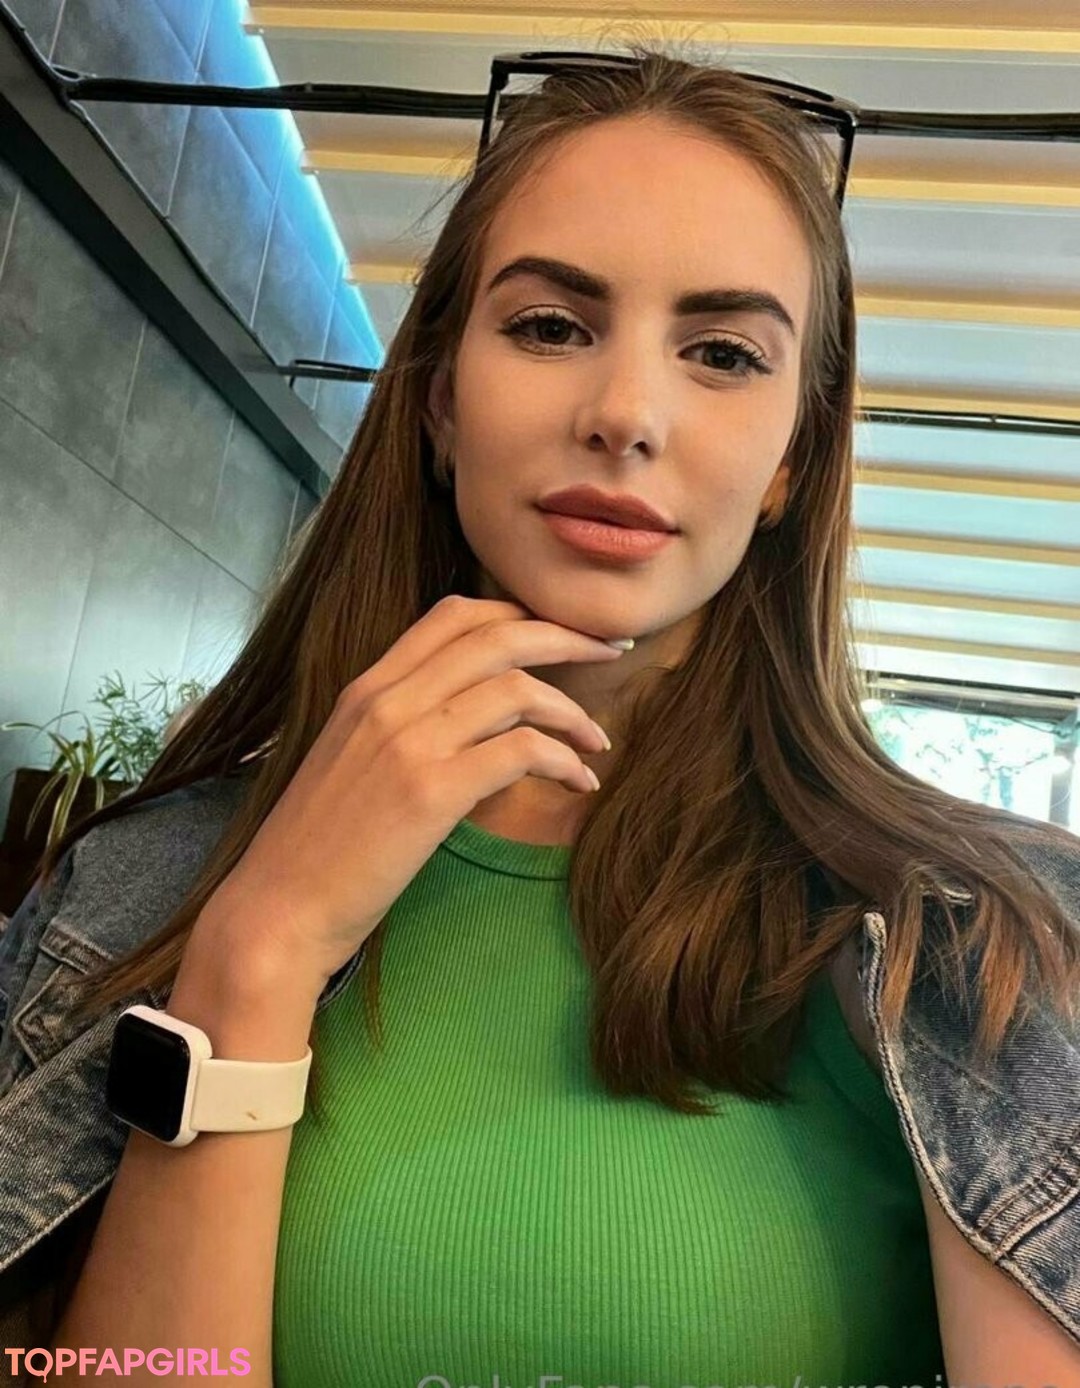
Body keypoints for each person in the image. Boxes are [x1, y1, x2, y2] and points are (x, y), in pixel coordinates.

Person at [0, 41, 1078, 1388]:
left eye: (724, 353)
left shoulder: (985, 941)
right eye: (551, 327)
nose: (626, 415)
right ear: (442, 403)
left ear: (792, 462)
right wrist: (260, 949)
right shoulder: (138, 892)